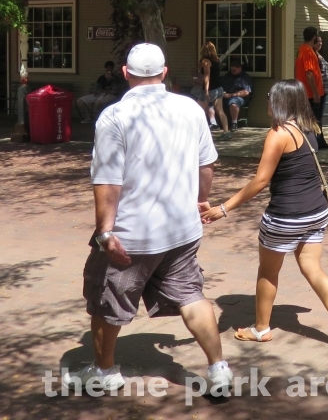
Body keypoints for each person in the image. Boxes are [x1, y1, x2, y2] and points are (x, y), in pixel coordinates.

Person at [63, 43, 232, 395]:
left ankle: (104, 371)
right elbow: (207, 164)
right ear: (164, 72)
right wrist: (201, 201)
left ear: (125, 73)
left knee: (107, 301)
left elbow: (107, 179)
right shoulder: (190, 108)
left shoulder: (114, 116)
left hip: (132, 234)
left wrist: (105, 233)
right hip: (182, 229)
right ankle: (219, 370)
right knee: (191, 295)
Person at [200, 80, 328, 346]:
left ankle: (261, 328)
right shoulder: (309, 128)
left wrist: (223, 208)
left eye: (270, 96)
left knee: (268, 273)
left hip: (285, 216)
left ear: (281, 102)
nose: (266, 100)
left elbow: (260, 181)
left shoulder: (278, 134)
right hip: (316, 212)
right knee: (313, 269)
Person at [295, 27, 328, 148]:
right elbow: (309, 73)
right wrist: (315, 92)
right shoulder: (308, 52)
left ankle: (319, 142)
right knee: (313, 119)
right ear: (314, 36)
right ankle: (314, 144)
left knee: (313, 119)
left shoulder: (302, 49)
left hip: (305, 91)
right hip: (310, 93)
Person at [192, 41, 227, 132]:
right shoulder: (216, 60)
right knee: (220, 111)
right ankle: (226, 132)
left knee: (197, 110)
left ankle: (195, 130)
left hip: (210, 89)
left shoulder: (206, 61)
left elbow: (207, 76)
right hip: (219, 88)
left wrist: (206, 90)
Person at [215, 57, 252, 139]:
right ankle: (213, 123)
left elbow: (246, 92)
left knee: (233, 103)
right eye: (231, 70)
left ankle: (234, 123)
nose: (232, 72)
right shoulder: (228, 75)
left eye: (234, 70)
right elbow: (220, 85)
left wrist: (230, 95)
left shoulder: (244, 77)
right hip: (225, 95)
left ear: (240, 68)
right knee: (213, 101)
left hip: (238, 97)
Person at [313, 33, 328, 146]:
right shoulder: (313, 55)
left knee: (319, 117)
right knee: (316, 117)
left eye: (321, 41)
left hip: (324, 90)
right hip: (318, 91)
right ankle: (317, 141)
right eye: (317, 41)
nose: (320, 43)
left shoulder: (319, 55)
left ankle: (320, 140)